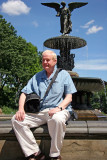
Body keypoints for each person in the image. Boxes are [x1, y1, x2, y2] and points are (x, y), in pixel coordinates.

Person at [11, 50, 77, 160]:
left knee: (57, 119)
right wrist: (21, 109)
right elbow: (24, 93)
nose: (45, 62)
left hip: (59, 109)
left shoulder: (64, 75)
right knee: (16, 119)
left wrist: (58, 108)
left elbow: (69, 97)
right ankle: (35, 153)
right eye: (43, 60)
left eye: (48, 60)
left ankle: (55, 155)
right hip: (40, 111)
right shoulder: (37, 76)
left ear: (55, 61)